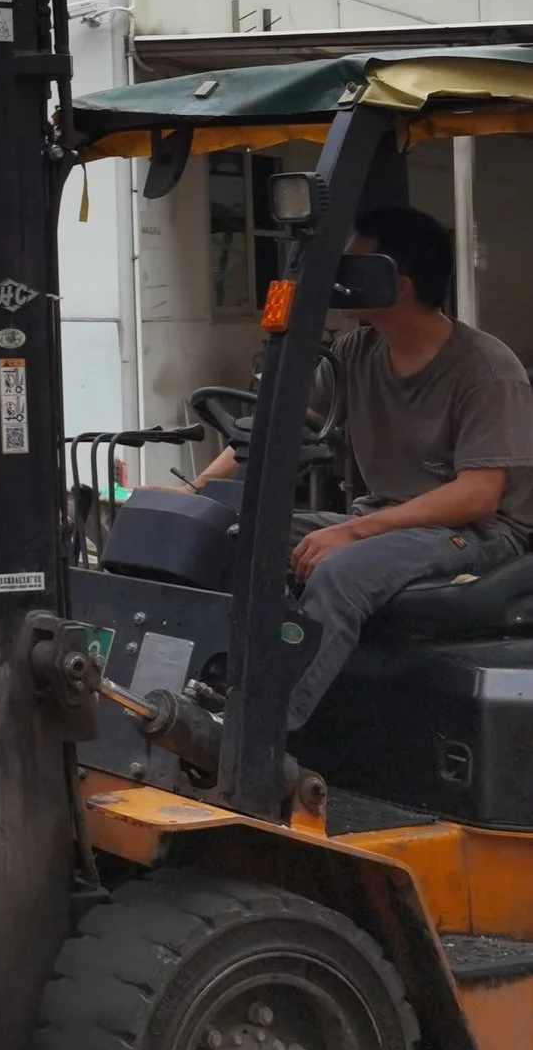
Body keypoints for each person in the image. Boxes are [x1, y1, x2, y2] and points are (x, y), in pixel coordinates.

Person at [187, 205, 533, 729]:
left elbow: (479, 494)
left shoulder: (486, 370)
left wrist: (353, 532)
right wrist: (197, 494)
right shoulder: (356, 352)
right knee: (229, 536)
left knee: (341, 572)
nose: (339, 280)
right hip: (387, 518)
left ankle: (260, 733)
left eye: (353, 268)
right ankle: (213, 688)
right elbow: (278, 426)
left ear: (396, 282)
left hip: (475, 532)